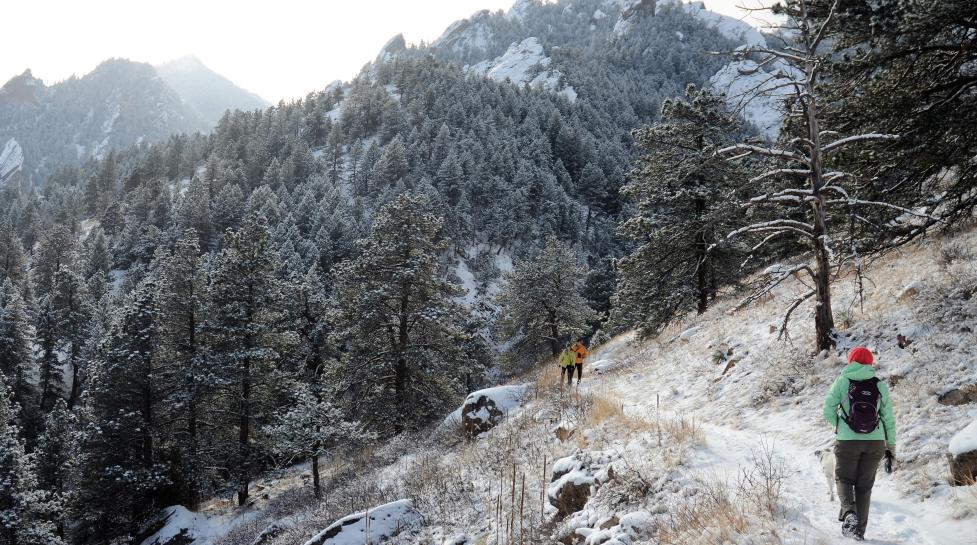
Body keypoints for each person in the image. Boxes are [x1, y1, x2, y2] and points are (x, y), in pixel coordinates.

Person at [822, 346, 897, 541]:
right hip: (875, 442)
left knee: (844, 479)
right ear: (870, 363)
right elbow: (888, 418)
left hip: (847, 441)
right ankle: (859, 533)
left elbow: (828, 409)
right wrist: (891, 446)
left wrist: (840, 425)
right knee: (864, 487)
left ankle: (848, 513)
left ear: (851, 361)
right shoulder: (879, 385)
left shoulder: (842, 381)